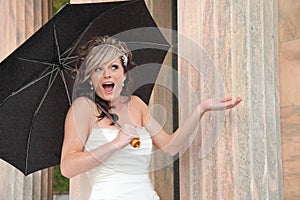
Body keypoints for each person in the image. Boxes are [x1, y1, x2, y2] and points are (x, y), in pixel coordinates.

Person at [60, 36, 242, 200]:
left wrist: (201, 109)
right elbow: (67, 167)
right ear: (90, 78)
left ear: (124, 74)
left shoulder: (137, 104)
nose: (107, 74)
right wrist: (116, 143)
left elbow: (171, 146)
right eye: (98, 69)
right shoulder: (83, 107)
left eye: (113, 67)